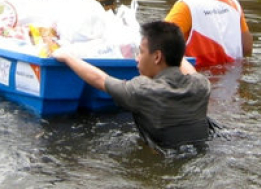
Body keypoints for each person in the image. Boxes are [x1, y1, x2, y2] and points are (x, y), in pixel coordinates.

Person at [52, 20, 211, 150]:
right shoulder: (201, 85)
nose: (137, 58)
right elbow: (189, 70)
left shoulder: (143, 90)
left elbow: (100, 80)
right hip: (200, 152)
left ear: (157, 57)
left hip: (165, 157)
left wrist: (67, 57)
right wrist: (173, 49)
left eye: (140, 52)